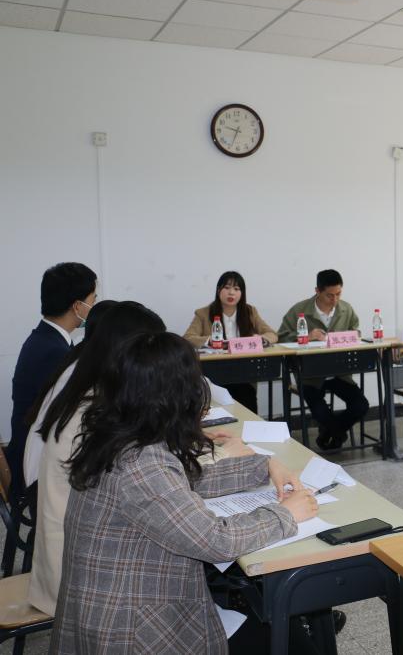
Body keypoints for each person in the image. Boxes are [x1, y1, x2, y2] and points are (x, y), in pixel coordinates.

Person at [51, 332, 317, 654]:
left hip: (114, 607)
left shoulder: (119, 436)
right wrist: (286, 514)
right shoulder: (141, 464)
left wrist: (263, 466)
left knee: (273, 620)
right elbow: (216, 541)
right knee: (292, 642)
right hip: (131, 629)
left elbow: (182, 482)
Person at [23, 302, 168, 616]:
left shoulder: (88, 383)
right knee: (183, 559)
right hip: (79, 576)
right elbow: (142, 481)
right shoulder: (93, 409)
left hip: (68, 548)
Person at [6, 261, 96, 496]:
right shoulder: (53, 352)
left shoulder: (45, 339)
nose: (94, 306)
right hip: (35, 469)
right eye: (93, 299)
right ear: (77, 306)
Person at [277, 269, 368, 452]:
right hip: (310, 375)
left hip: (339, 373)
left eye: (338, 294)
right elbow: (281, 337)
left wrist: (352, 335)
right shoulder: (300, 310)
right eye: (329, 295)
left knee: (361, 406)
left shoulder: (346, 309)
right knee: (320, 412)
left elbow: (356, 331)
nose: (335, 299)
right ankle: (337, 434)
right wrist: (307, 336)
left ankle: (329, 434)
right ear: (317, 291)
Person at [184, 271, 279, 411]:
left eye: (236, 289)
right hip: (214, 371)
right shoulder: (203, 313)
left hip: (244, 371)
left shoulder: (250, 311)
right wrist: (209, 341)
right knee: (220, 405)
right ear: (218, 290)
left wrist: (261, 339)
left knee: (247, 399)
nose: (231, 293)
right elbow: (188, 337)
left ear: (242, 293)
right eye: (227, 288)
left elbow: (272, 334)